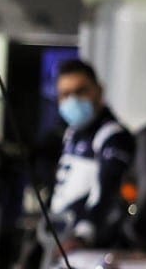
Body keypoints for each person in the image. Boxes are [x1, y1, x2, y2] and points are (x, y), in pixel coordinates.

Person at [47, 57, 136, 247]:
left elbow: (109, 189)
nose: (72, 100)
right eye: (65, 94)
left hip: (87, 246)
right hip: (60, 236)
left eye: (80, 92)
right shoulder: (71, 134)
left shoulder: (112, 136)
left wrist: (84, 234)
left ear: (99, 91)